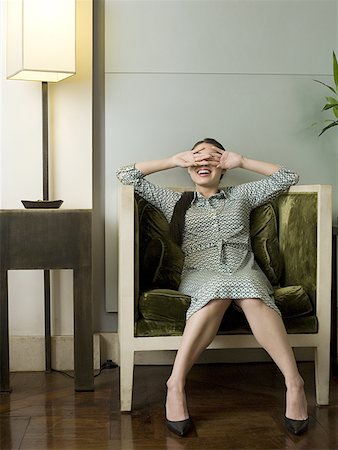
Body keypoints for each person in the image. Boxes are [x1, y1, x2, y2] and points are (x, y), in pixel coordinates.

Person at [116, 138, 309, 437]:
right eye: (197, 158)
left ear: (223, 166)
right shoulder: (174, 201)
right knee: (215, 294)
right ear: (189, 166)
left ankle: (294, 382)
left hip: (244, 269)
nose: (204, 162)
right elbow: (126, 174)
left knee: (255, 298)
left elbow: (288, 177)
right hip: (200, 273)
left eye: (212, 158)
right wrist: (172, 160)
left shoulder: (242, 195)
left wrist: (243, 160)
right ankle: (175, 384)